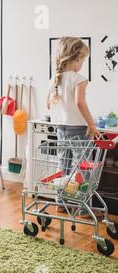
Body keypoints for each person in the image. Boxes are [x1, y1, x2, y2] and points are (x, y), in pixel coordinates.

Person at [47, 37, 101, 213]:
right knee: (83, 166)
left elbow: (48, 104)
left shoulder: (55, 78)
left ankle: (61, 203)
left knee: (63, 164)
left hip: (61, 128)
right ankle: (84, 208)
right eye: (83, 59)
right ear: (76, 58)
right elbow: (80, 103)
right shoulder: (79, 78)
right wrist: (91, 124)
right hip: (78, 129)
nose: (83, 64)